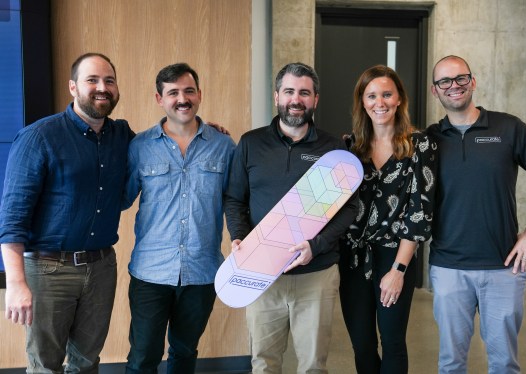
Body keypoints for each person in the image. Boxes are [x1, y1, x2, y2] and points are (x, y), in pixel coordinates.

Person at [427, 55, 526, 374]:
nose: (454, 86)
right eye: (444, 81)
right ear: (436, 91)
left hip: (503, 267)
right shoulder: (428, 140)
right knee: (450, 363)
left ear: (472, 82)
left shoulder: (508, 128)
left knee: (503, 364)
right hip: (448, 267)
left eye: (461, 78)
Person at [0, 53, 134, 372]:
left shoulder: (122, 136)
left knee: (87, 361)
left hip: (102, 266)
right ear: (73, 87)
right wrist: (16, 283)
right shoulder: (39, 137)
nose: (102, 87)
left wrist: (191, 129)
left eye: (109, 80)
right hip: (48, 271)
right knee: (46, 364)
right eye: (92, 80)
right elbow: (12, 218)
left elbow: (160, 145)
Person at [224, 62, 359, 374]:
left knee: (313, 366)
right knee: (264, 363)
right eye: (289, 91)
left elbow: (349, 209)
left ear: (315, 100)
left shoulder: (332, 149)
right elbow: (234, 199)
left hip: (316, 275)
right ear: (276, 97)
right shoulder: (251, 143)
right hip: (262, 275)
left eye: (304, 93)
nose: (296, 99)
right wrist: (239, 236)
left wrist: (317, 244)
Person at [122, 62, 235, 374]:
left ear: (199, 95)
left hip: (201, 272)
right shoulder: (139, 147)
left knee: (185, 353)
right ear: (160, 99)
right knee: (143, 356)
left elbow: (237, 202)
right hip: (150, 272)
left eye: (188, 91)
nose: (182, 99)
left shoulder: (224, 146)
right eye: (173, 93)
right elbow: (120, 198)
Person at [338, 65, 437, 373]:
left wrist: (398, 270)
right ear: (362, 102)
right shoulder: (349, 148)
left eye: (386, 94)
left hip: (396, 255)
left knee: (393, 341)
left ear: (398, 100)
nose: (379, 102)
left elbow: (419, 214)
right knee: (362, 344)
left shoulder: (419, 145)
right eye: (371, 96)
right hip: (353, 258)